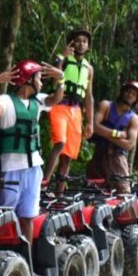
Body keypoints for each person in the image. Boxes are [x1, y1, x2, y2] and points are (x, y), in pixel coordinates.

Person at [0, 60, 64, 244]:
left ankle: (27, 262)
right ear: (28, 80)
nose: (41, 83)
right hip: (10, 168)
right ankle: (0, 257)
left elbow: (56, 99)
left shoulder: (37, 102)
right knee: (4, 216)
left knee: (28, 217)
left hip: (33, 168)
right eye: (38, 78)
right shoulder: (6, 100)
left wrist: (61, 79)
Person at [44, 27, 95, 192]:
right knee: (60, 143)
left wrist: (90, 122)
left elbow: (88, 96)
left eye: (85, 42)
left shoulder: (89, 69)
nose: (81, 44)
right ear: (72, 43)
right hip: (60, 105)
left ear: (88, 46)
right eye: (78, 41)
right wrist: (61, 58)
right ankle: (42, 186)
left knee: (69, 154)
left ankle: (59, 193)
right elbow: (53, 83)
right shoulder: (63, 60)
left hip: (76, 110)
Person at [86, 81, 138, 193]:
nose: (130, 94)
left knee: (124, 192)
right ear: (122, 91)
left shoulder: (134, 119)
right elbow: (95, 126)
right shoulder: (106, 105)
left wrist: (104, 133)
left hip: (118, 158)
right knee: (93, 191)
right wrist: (117, 135)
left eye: (134, 94)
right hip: (98, 155)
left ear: (136, 99)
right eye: (128, 91)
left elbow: (129, 144)